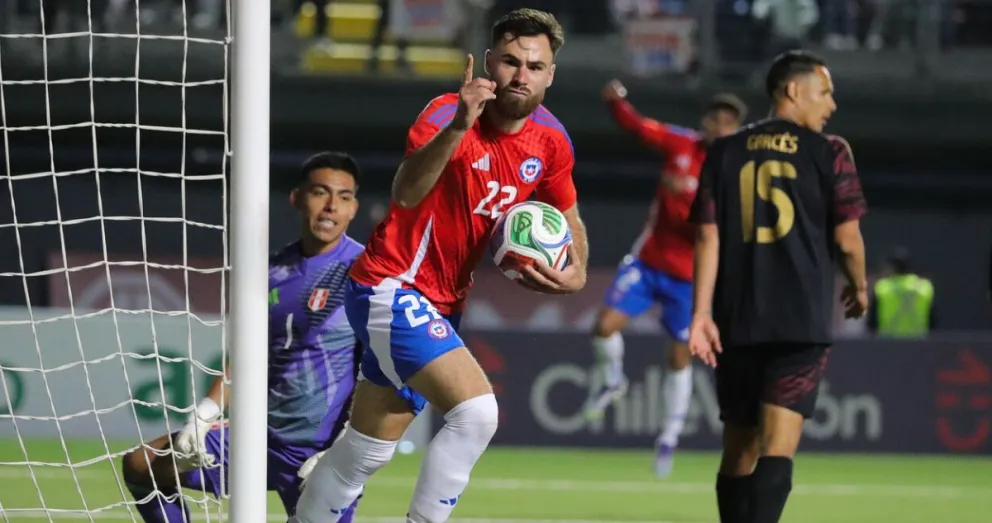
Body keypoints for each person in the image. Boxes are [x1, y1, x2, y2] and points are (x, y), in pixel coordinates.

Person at [292, 8, 588, 523]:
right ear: (489, 61)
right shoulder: (445, 112)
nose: (521, 76)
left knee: (364, 453)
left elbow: (569, 215)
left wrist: (577, 271)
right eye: (511, 62)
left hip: (443, 302)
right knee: (476, 413)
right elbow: (406, 193)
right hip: (390, 285)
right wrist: (459, 126)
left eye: (534, 67)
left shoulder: (551, 140)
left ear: (551, 74)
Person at [121, 152, 366, 523]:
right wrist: (203, 417)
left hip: (319, 453)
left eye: (344, 197)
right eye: (320, 192)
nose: (331, 205)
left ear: (354, 209)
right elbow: (249, 357)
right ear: (297, 198)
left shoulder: (365, 273)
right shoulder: (270, 271)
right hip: (256, 438)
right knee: (142, 465)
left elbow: (380, 369)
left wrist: (350, 448)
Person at [686, 50, 868, 523]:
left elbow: (707, 235)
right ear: (793, 90)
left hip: (736, 318)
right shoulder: (830, 151)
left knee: (739, 449)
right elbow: (848, 239)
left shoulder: (723, 151)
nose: (831, 104)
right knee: (777, 449)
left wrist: (701, 313)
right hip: (799, 321)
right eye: (825, 92)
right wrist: (859, 286)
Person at [584, 81, 747, 479]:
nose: (719, 126)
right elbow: (640, 128)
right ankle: (611, 380)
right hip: (648, 261)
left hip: (688, 278)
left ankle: (669, 436)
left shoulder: (736, 176)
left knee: (679, 357)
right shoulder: (681, 144)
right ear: (705, 122)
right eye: (715, 118)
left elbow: (719, 232)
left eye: (729, 122)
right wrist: (617, 103)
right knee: (604, 326)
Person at [867, 247, 936, 337]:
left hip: (887, 345)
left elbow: (872, 323)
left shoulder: (882, 288)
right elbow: (933, 321)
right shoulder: (924, 288)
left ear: (892, 267)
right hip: (919, 345)